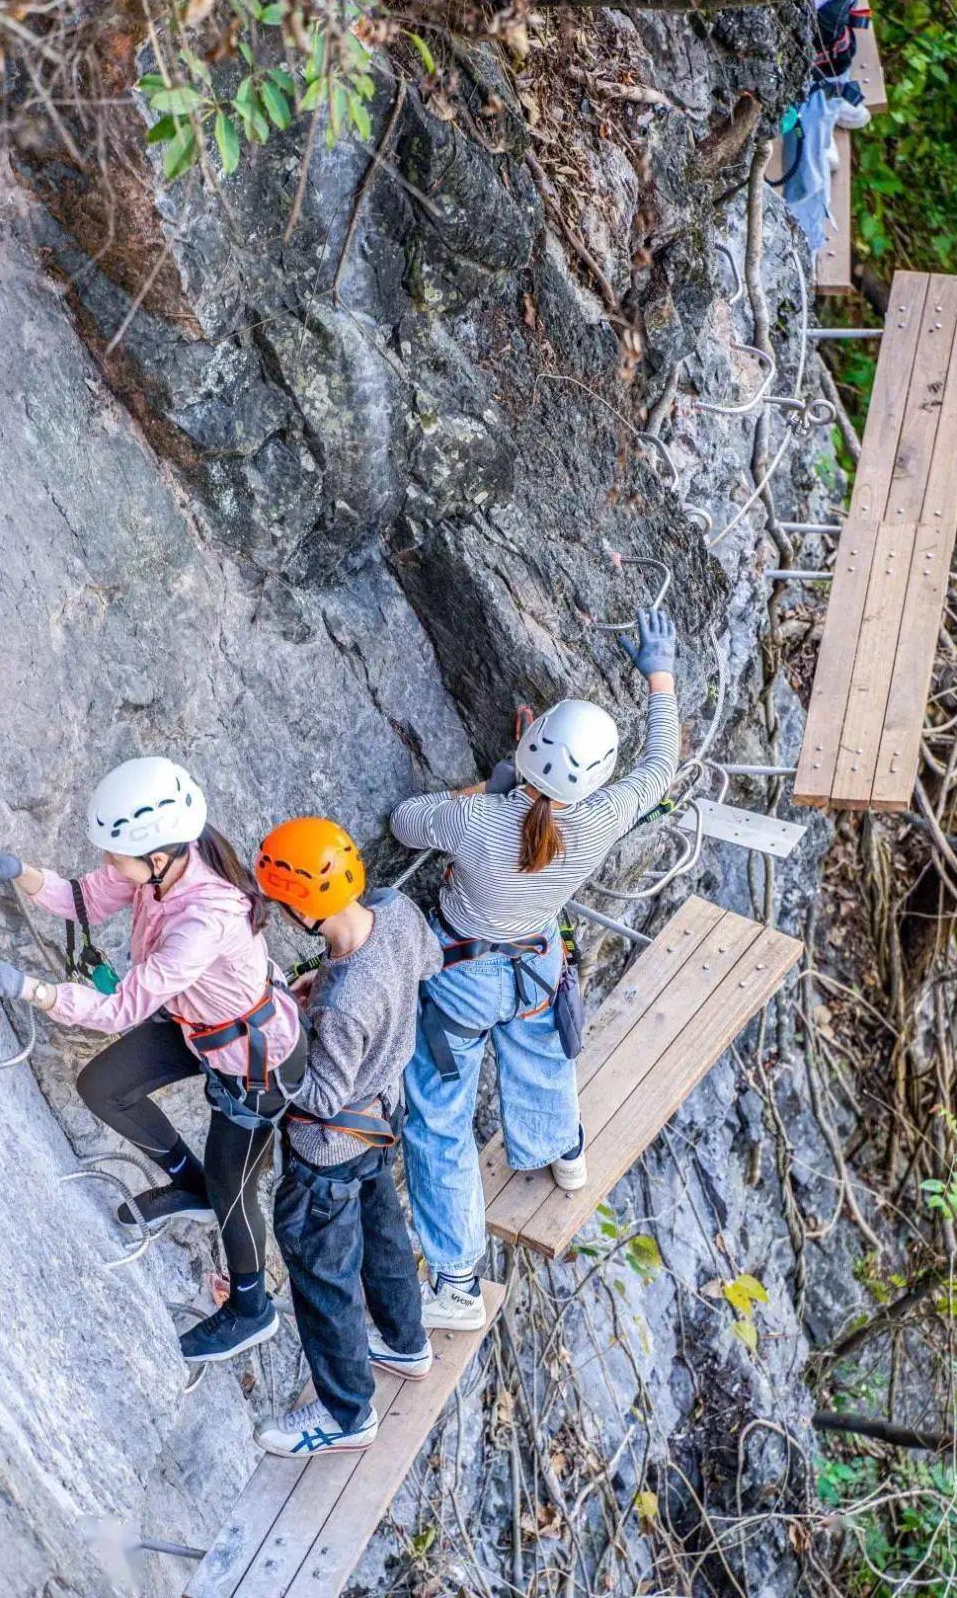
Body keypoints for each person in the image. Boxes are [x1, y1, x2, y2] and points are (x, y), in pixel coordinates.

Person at [0, 756, 306, 1364]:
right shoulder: (158, 867)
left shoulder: (203, 915)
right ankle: (187, 1182)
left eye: (115, 854)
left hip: (257, 1063)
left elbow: (121, 1009)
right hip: (200, 1026)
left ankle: (252, 1310)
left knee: (235, 1194)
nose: (107, 863)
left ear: (156, 855)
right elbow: (84, 898)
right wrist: (22, 873)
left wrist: (30, 988)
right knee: (103, 1086)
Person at [391, 608, 680, 1331]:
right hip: (534, 964)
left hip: (459, 977)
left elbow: (404, 821)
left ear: (529, 741)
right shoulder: (606, 816)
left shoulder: (474, 822)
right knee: (539, 1055)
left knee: (438, 1122)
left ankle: (458, 1284)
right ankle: (561, 1152)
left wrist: (484, 794)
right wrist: (659, 675)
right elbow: (661, 764)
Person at [252, 817, 442, 1458]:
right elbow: (429, 963)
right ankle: (406, 1342)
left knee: (324, 1277)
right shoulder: (396, 910)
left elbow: (321, 1098)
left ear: (300, 908)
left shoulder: (339, 1001)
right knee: (385, 1237)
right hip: (381, 1122)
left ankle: (346, 1414)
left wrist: (276, 1042)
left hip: (326, 1155)